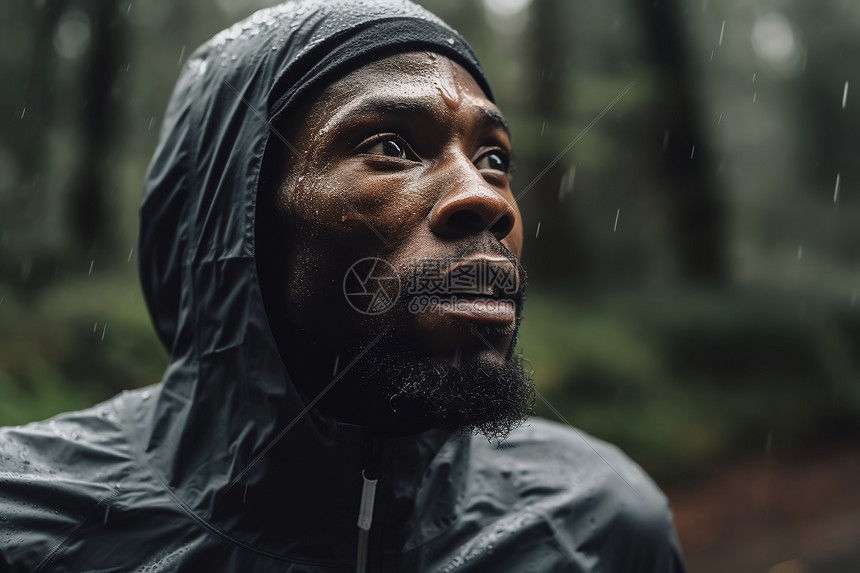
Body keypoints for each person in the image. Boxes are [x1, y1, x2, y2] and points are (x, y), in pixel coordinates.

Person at [0, 0, 687, 571]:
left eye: (494, 157)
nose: (488, 198)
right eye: (391, 146)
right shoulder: (32, 527)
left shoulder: (600, 524)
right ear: (231, 229)